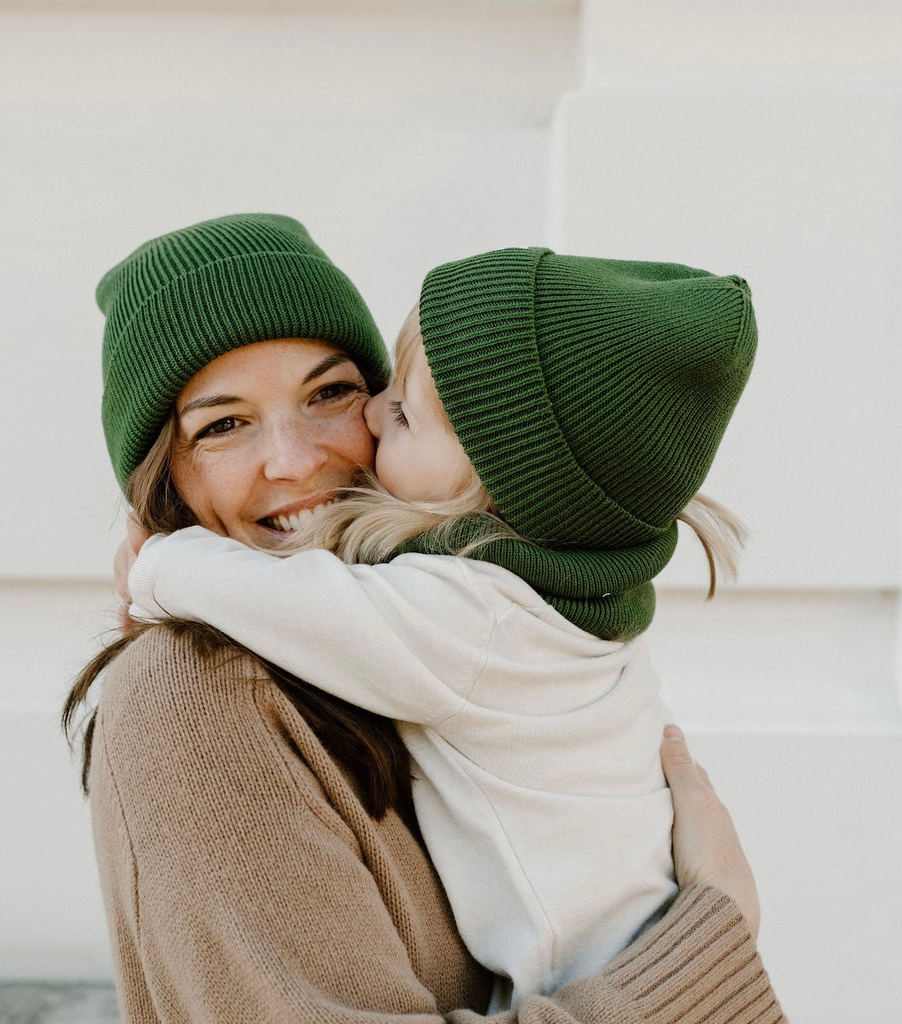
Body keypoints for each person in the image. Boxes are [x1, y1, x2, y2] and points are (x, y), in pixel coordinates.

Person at [63, 213, 785, 1023]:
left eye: (333, 393)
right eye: (222, 424)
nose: (296, 460)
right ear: (161, 474)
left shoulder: (442, 617)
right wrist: (710, 947)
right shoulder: (193, 700)